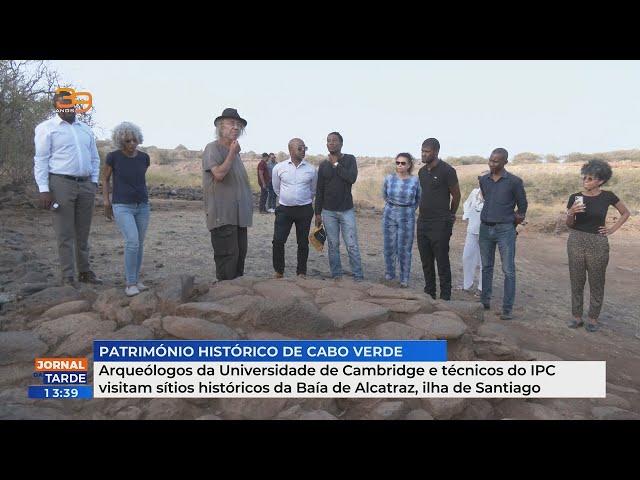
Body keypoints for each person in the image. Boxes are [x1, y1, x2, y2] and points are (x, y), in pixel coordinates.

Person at [33, 88, 102, 288]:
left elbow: (94, 157)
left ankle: (84, 271)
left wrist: (94, 182)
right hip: (60, 184)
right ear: (56, 105)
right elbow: (41, 159)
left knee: (83, 232)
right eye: (63, 104)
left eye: (71, 104)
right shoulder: (47, 128)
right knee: (64, 233)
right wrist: (44, 188)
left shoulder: (85, 129)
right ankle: (67, 276)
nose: (68, 108)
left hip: (85, 185)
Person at [565, 159, 630, 332]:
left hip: (598, 242)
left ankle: (593, 318)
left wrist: (611, 229)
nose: (585, 181)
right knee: (576, 280)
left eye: (590, 178)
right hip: (576, 240)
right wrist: (570, 213)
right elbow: (570, 225)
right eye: (584, 178)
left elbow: (625, 213)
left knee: (597, 281)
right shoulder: (574, 197)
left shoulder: (608, 196)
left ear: (600, 181)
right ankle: (576, 316)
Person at [202, 107, 253, 281]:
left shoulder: (236, 153)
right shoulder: (213, 148)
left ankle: (237, 298)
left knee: (239, 256)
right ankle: (225, 300)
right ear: (220, 126)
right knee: (227, 258)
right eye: (231, 123)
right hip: (223, 216)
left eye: (239, 125)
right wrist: (232, 153)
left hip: (238, 217)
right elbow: (219, 175)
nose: (236, 127)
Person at [102, 122, 151, 297]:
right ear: (120, 141)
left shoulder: (144, 158)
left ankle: (136, 280)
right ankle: (130, 283)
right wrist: (106, 201)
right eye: (127, 141)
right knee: (132, 241)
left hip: (143, 206)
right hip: (122, 205)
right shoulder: (113, 157)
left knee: (139, 244)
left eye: (134, 140)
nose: (131, 144)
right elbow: (106, 179)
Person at [478, 148, 528, 320]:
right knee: (486, 267)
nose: (492, 164)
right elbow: (487, 199)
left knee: (508, 270)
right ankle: (484, 301)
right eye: (490, 160)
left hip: (505, 230)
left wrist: (511, 224)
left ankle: (507, 308)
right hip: (485, 228)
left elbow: (522, 209)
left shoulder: (514, 181)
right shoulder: (484, 180)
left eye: (496, 161)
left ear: (505, 162)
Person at [314, 131, 364, 282]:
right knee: (333, 245)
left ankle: (358, 276)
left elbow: (351, 178)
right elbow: (319, 190)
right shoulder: (323, 165)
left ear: (341, 143)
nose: (331, 143)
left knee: (352, 244)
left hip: (346, 210)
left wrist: (336, 164)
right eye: (328, 140)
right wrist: (317, 213)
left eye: (334, 140)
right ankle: (337, 275)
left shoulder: (349, 159)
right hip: (328, 211)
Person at [416, 138, 461, 300]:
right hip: (423, 222)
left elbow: (456, 195)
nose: (423, 154)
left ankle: (445, 297)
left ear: (436, 152)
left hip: (441, 223)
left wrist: (451, 214)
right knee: (426, 261)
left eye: (426, 151)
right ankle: (429, 293)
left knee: (442, 261)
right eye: (422, 150)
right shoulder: (421, 172)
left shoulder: (448, 171)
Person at [271, 138, 318, 278]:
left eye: (305, 148)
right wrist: (288, 198)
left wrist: (301, 199)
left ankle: (301, 272)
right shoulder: (279, 168)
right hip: (285, 209)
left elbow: (313, 190)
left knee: (303, 242)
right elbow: (276, 188)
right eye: (300, 148)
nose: (303, 150)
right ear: (290, 150)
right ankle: (279, 271)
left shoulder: (311, 169)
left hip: (304, 210)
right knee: (278, 240)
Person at [381, 153, 421, 288]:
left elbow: (418, 199)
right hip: (389, 213)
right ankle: (390, 273)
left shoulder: (415, 180)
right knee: (389, 245)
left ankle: (404, 277)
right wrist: (394, 206)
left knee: (404, 247)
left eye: (403, 163)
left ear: (409, 165)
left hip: (407, 215)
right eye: (397, 162)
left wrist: (408, 208)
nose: (400, 165)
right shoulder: (389, 178)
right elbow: (384, 195)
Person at [459, 170, 489, 296]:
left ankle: (482, 289)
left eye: (484, 178)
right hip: (472, 231)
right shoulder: (474, 192)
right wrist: (466, 216)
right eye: (479, 177)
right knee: (467, 257)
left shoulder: (493, 194)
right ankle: (467, 284)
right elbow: (466, 204)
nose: (481, 180)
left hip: (487, 233)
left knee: (484, 261)